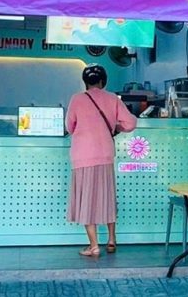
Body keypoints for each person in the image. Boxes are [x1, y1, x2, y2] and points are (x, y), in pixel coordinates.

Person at [65, 64, 137, 257]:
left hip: (83, 156)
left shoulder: (77, 99)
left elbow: (69, 127)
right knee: (107, 197)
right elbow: (131, 123)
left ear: (85, 82)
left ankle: (94, 246)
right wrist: (116, 127)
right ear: (103, 81)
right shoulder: (113, 98)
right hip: (105, 155)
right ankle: (112, 240)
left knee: (87, 200)